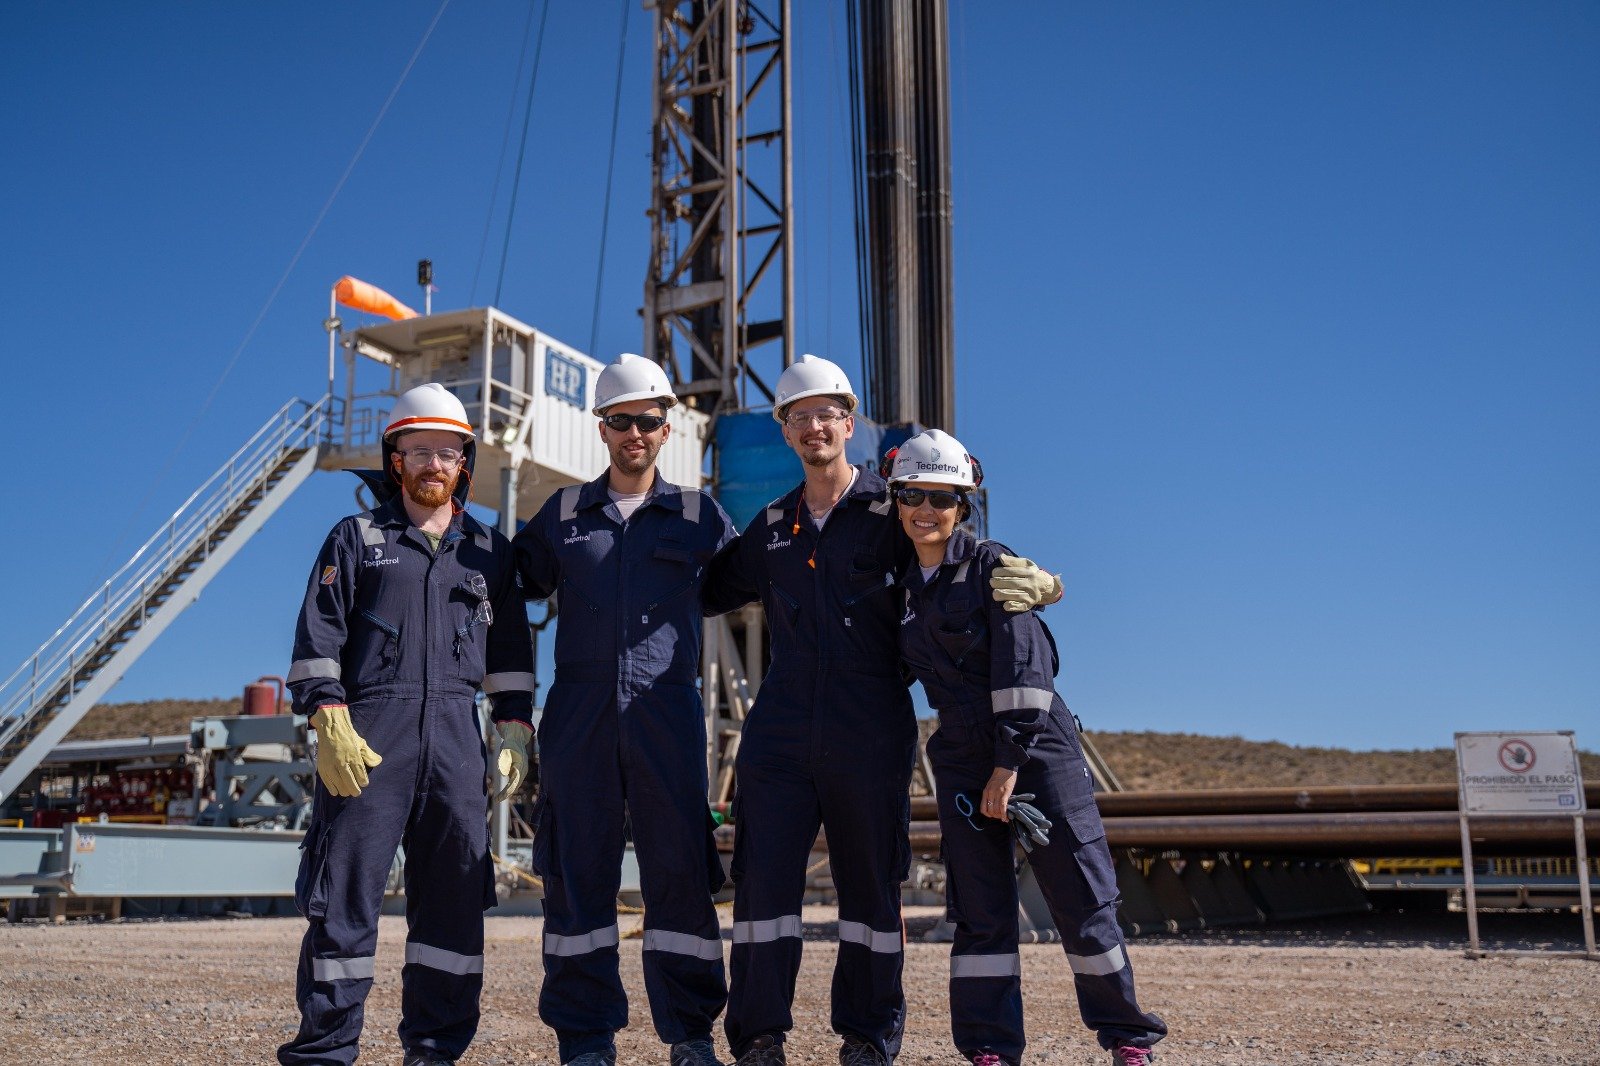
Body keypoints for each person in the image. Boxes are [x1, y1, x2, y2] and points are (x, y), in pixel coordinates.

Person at [701, 356, 1064, 1066]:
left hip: (869, 722)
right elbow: (705, 589)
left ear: (850, 419)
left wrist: (1024, 575)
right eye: (798, 415)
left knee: (870, 885)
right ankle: (760, 1036)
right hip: (779, 727)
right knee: (763, 884)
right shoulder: (771, 527)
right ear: (783, 430)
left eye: (827, 412)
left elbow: (956, 549)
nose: (814, 426)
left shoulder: (890, 513)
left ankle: (867, 1036)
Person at [886, 429, 1167, 1066]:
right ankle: (988, 1047)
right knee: (980, 913)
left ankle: (1126, 1036)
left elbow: (1025, 670)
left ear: (964, 504)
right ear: (896, 499)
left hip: (1037, 749)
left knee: (1081, 902)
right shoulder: (899, 587)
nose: (926, 509)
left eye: (942, 497)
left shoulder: (995, 568)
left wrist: (1007, 767)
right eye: (913, 495)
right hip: (958, 751)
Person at [278, 383, 536, 1066]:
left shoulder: (490, 551)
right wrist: (327, 715)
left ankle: (435, 1050)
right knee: (344, 902)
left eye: (445, 451)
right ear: (396, 460)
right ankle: (327, 1051)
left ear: (462, 462)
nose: (431, 463)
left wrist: (513, 725)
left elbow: (511, 652)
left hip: (456, 739)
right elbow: (317, 637)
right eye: (417, 450)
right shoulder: (358, 538)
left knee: (453, 903)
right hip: (368, 737)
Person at [512, 353, 738, 1066]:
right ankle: (585, 1037)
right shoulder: (563, 516)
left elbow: (769, 582)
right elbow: (499, 583)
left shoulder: (701, 516)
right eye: (621, 422)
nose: (634, 432)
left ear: (667, 428)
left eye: (647, 420)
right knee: (578, 877)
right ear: (601, 429)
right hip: (578, 719)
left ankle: (691, 1033)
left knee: (678, 873)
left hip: (667, 716)